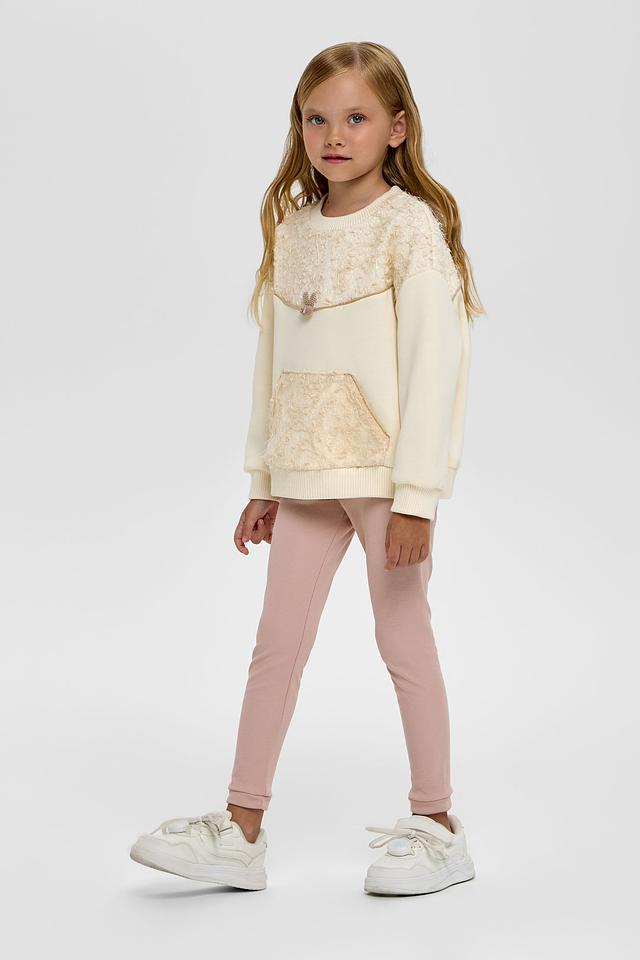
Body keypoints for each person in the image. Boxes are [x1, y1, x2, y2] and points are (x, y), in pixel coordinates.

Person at [130, 40, 484, 897]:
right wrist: (263, 481)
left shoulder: (408, 228)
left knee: (403, 640)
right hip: (304, 478)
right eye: (317, 118)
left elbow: (435, 366)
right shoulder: (292, 230)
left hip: (384, 481)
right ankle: (241, 828)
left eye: (356, 117)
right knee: (276, 646)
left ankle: (438, 824)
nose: (334, 135)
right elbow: (273, 363)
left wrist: (416, 496)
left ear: (396, 128)